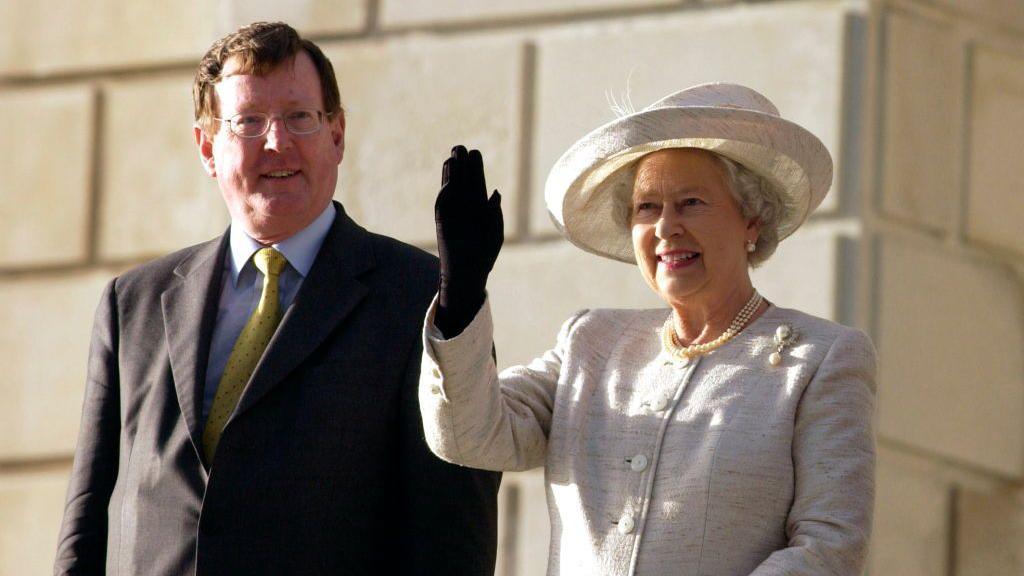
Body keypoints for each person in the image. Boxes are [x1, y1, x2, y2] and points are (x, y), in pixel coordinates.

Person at [54, 21, 499, 576]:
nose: (277, 142)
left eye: (299, 118)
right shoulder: (134, 303)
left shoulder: (420, 298)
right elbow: (87, 519)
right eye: (248, 122)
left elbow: (452, 540)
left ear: (336, 135)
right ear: (207, 147)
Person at [422, 83, 875, 575]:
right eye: (647, 208)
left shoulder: (821, 358)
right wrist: (460, 295)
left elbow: (830, 547)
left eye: (691, 202)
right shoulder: (590, 342)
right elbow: (470, 436)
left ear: (752, 220)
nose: (665, 228)